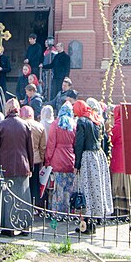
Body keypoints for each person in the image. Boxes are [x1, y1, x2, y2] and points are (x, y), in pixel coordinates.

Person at [0, 98, 35, 236]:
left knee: (6, 197)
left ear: (7, 109)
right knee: (22, 196)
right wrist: (31, 167)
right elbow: (30, 149)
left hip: (5, 166)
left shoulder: (1, 126)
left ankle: (7, 227)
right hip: (22, 165)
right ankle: (24, 226)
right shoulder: (25, 125)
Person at [73, 99, 113, 231]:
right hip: (98, 156)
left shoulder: (81, 121)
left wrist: (77, 164)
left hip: (87, 157)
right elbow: (102, 141)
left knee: (87, 189)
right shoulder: (97, 120)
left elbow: (79, 144)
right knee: (96, 188)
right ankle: (94, 221)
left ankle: (87, 224)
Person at [44, 101, 77, 216]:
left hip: (57, 158)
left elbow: (51, 144)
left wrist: (47, 160)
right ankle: (68, 212)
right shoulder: (73, 125)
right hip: (70, 158)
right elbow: (75, 144)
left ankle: (56, 213)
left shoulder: (55, 124)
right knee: (69, 189)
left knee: (58, 189)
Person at [18, 104, 47, 210]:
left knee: (22, 183)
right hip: (36, 159)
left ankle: (22, 205)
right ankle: (34, 206)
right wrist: (43, 159)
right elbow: (43, 146)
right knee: (34, 184)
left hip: (23, 158)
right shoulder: (39, 126)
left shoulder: (20, 125)